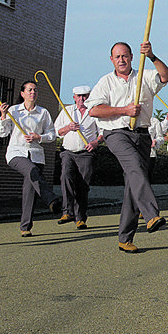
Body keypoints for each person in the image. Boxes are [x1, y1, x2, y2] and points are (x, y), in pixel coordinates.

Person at [85, 40, 168, 254]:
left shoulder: (145, 74)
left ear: (132, 57)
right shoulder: (106, 82)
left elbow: (167, 77)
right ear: (112, 60)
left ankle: (125, 238)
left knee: (134, 185)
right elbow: (94, 111)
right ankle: (151, 215)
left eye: (125, 56)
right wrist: (124, 110)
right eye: (117, 56)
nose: (121, 60)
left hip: (141, 134)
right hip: (116, 133)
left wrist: (152, 55)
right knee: (135, 168)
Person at [0, 81, 57, 237]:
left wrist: (39, 137)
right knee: (31, 170)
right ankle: (50, 199)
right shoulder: (13, 110)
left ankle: (26, 227)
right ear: (22, 93)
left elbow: (52, 135)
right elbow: (2, 133)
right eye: (29, 90)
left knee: (30, 190)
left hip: (36, 153)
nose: (33, 92)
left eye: (35, 90)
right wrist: (3, 116)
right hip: (17, 153)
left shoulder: (43, 113)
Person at [55, 85, 102, 230]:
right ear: (74, 97)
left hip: (86, 154)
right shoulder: (67, 111)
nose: (82, 99)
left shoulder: (94, 112)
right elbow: (57, 132)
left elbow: (103, 132)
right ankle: (68, 211)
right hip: (68, 152)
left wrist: (95, 142)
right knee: (66, 177)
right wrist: (68, 128)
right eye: (79, 96)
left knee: (83, 185)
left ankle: (80, 218)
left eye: (85, 96)